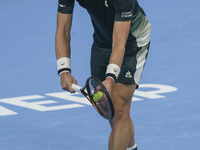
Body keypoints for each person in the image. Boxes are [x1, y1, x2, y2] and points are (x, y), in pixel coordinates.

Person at [55, 0, 151, 149]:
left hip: (131, 42)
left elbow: (120, 43)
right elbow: (63, 30)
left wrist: (110, 78)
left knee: (119, 108)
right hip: (101, 43)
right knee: (114, 113)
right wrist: (64, 70)